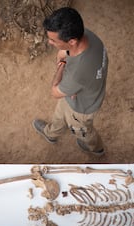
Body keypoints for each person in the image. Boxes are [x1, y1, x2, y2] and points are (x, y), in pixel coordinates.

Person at [32, 7, 108, 156]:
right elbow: (63, 53)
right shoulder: (88, 35)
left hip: (82, 108)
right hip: (81, 91)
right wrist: (72, 88)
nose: (50, 42)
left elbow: (55, 91)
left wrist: (62, 65)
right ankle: (51, 133)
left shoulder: (77, 73)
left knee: (83, 131)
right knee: (60, 114)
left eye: (53, 40)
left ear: (72, 41)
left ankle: (95, 148)